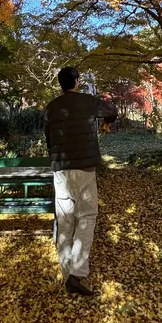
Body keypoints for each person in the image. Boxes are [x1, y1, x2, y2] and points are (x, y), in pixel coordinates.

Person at [44, 66, 117, 296]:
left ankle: (67, 274)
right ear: (76, 81)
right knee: (86, 217)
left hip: (60, 171)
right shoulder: (88, 102)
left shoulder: (51, 107)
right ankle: (76, 273)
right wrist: (106, 123)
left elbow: (48, 139)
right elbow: (112, 110)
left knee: (65, 221)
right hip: (85, 169)